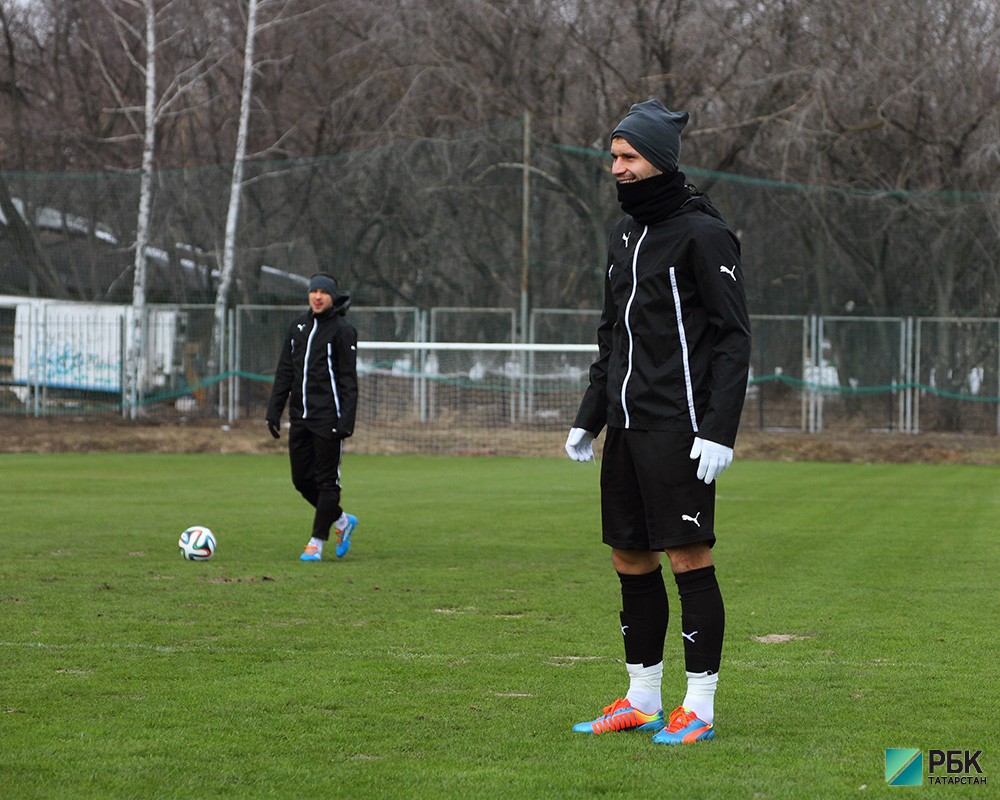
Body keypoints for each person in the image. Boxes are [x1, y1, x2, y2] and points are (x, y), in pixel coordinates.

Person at [565, 99, 751, 745]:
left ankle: (698, 705)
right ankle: (642, 697)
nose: (616, 167)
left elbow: (733, 337)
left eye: (628, 157)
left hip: (682, 428)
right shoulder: (624, 236)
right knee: (629, 556)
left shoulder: (704, 233)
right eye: (613, 157)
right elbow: (609, 335)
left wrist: (719, 430)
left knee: (686, 556)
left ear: (659, 161)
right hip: (626, 425)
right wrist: (590, 417)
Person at [266, 272, 360, 561]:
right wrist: (274, 408)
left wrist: (346, 421)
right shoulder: (297, 327)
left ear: (332, 297)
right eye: (313, 291)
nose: (317, 296)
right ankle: (342, 521)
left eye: (324, 292)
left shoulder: (343, 331)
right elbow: (285, 372)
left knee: (326, 482)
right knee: (301, 480)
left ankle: (316, 543)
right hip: (300, 419)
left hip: (329, 420)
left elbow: (348, 381)